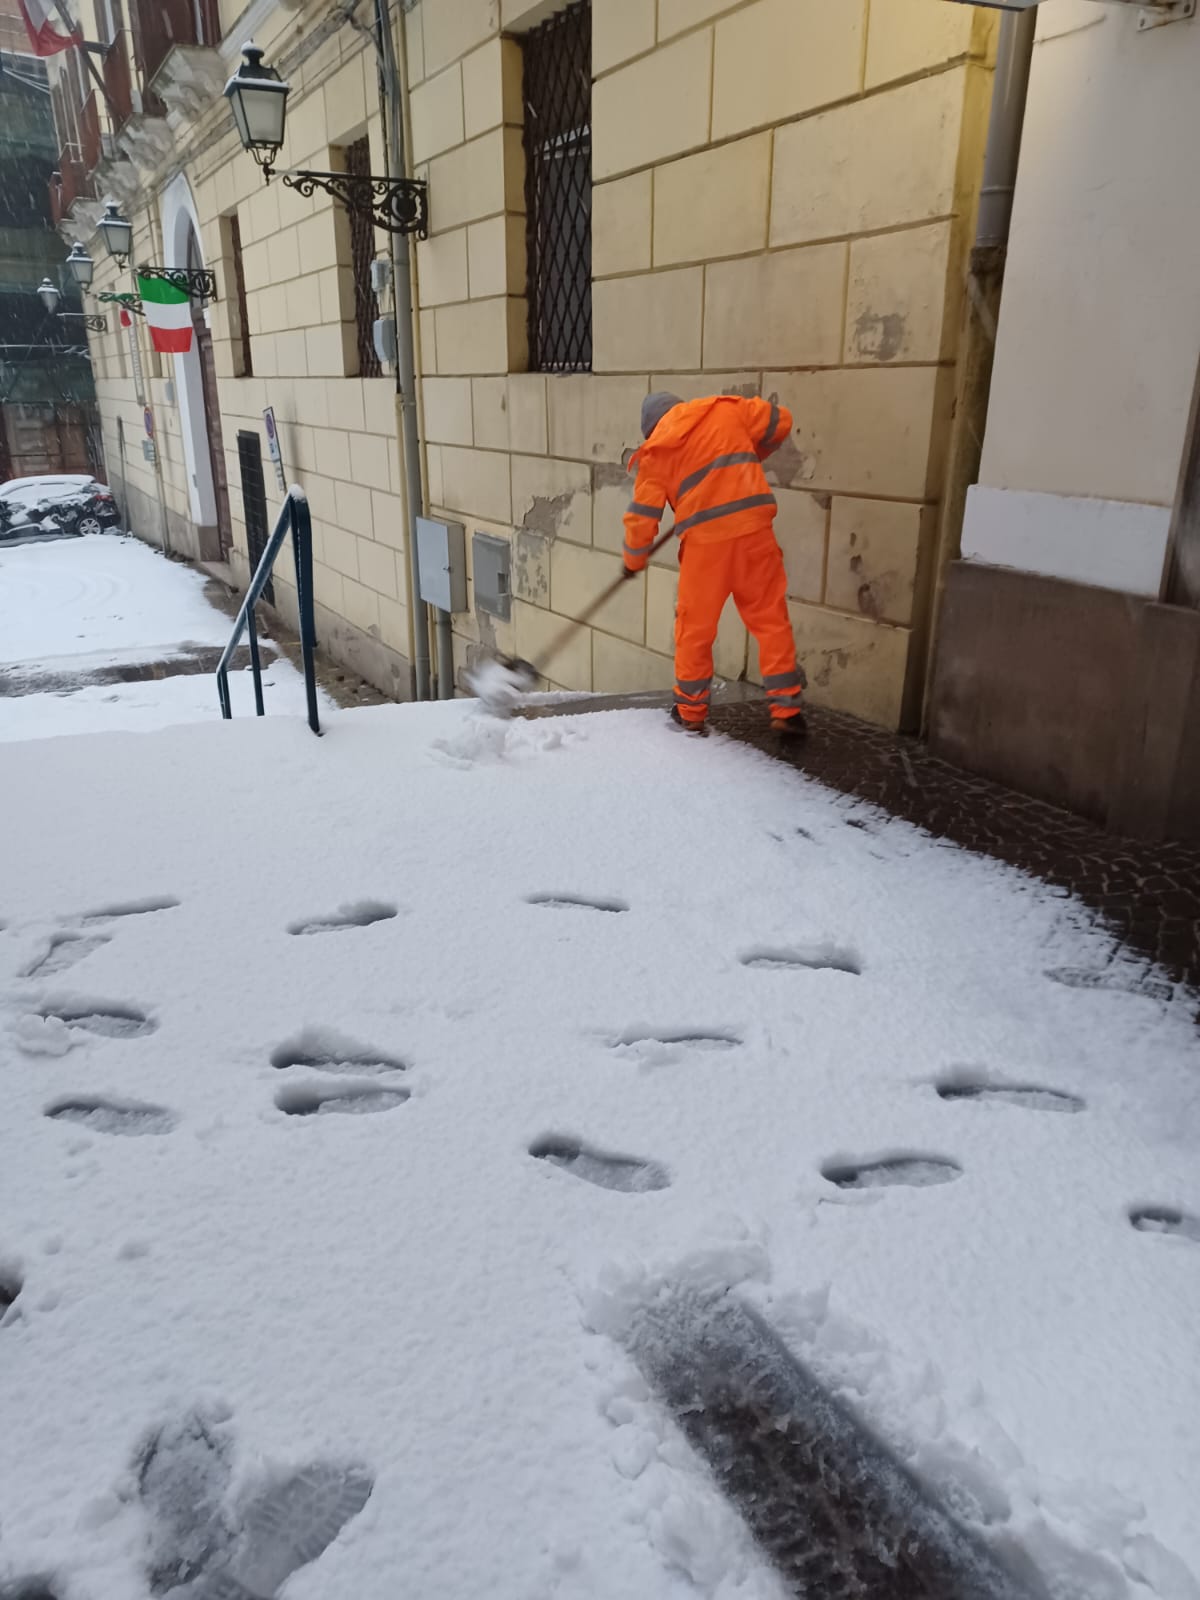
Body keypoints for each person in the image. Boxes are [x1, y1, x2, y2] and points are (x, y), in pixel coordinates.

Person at [622, 391, 806, 740]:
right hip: (755, 535)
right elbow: (780, 421)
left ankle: (691, 713)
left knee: (695, 630)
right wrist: (750, 454)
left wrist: (634, 560)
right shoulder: (725, 411)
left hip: (706, 550)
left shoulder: (656, 452)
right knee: (771, 621)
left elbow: (642, 516)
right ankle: (787, 711)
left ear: (650, 429)